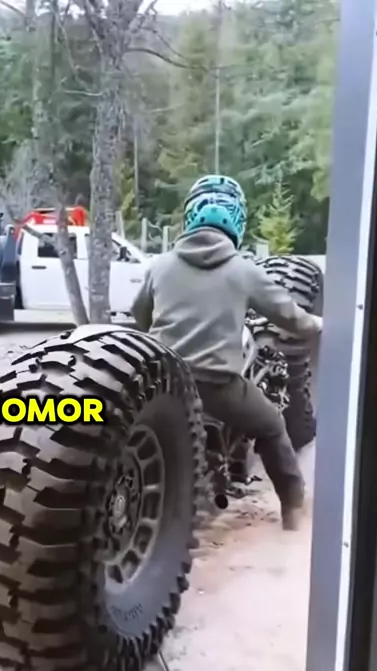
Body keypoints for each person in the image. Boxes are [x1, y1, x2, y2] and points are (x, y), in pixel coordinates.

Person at [131, 174, 323, 531]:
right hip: (218, 387)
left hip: (165, 383)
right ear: (238, 220)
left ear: (189, 216)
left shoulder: (160, 266)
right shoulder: (243, 270)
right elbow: (291, 318)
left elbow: (139, 313)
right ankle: (294, 509)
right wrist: (320, 324)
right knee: (271, 426)